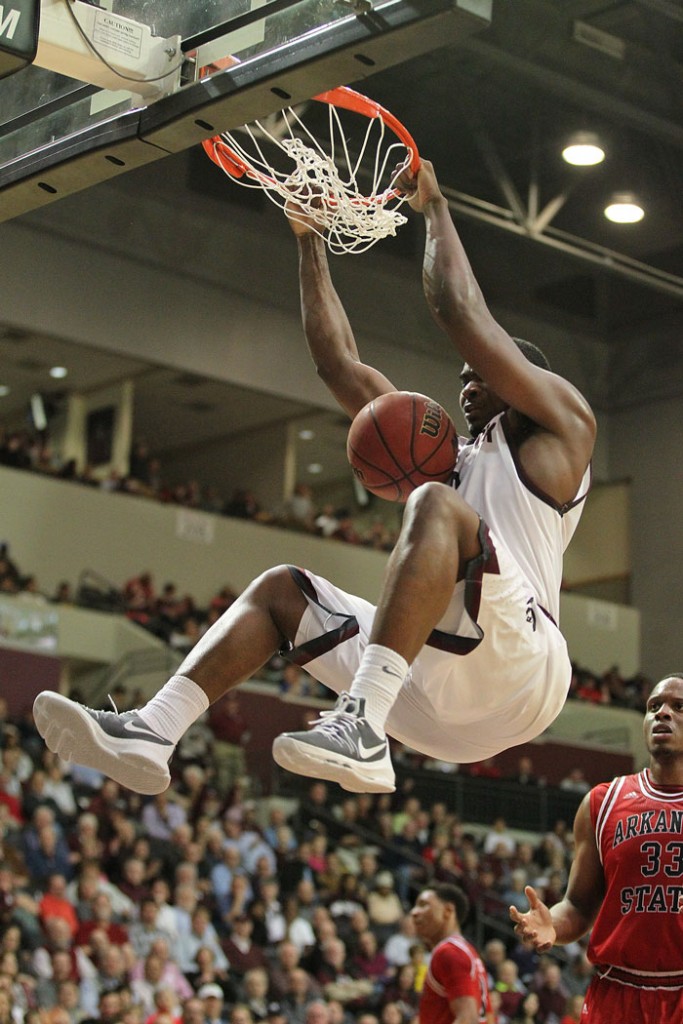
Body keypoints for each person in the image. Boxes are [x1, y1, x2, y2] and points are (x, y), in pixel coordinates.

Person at [31, 158, 595, 798]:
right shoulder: (451, 459)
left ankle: (360, 727)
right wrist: (309, 241)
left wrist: (435, 209)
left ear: (526, 381)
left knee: (433, 504)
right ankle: (152, 732)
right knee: (281, 593)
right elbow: (339, 365)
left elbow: (461, 312)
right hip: (432, 700)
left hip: (522, 667)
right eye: (463, 375)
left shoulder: (565, 429)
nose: (465, 381)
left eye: (482, 373)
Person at [509, 673, 683, 1022]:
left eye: (678, 707)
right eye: (654, 707)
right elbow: (578, 905)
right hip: (617, 992)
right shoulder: (602, 802)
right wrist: (552, 926)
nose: (663, 713)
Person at [410, 882, 490, 1023]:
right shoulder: (468, 952)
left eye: (423, 904)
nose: (414, 912)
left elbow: (467, 1019)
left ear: (448, 911)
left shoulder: (448, 952)